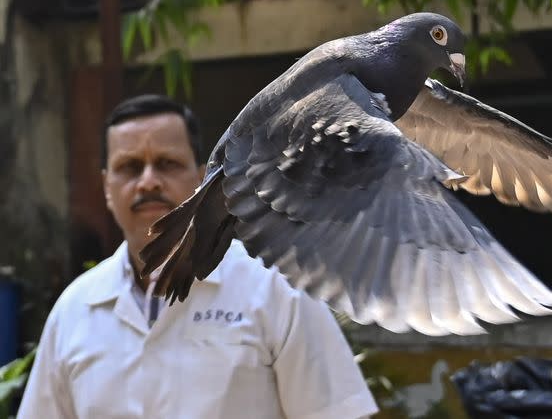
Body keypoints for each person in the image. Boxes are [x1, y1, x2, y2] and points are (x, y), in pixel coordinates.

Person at [17, 95, 379, 419]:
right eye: (129, 167)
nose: (148, 182)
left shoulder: (275, 288)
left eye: (167, 163)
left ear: (203, 178)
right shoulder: (74, 310)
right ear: (106, 187)